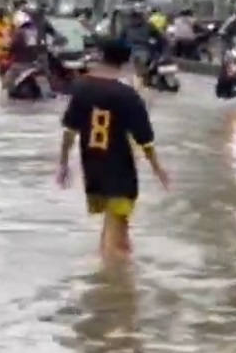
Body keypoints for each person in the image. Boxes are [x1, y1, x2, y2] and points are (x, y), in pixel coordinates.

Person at [56, 36, 169, 260]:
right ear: (125, 62)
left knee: (117, 225)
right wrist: (158, 169)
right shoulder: (127, 95)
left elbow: (69, 130)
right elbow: (144, 139)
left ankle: (114, 265)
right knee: (115, 228)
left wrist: (63, 164)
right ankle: (110, 273)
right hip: (119, 167)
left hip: (92, 164)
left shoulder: (82, 87)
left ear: (102, 57)